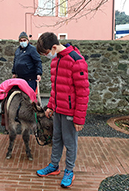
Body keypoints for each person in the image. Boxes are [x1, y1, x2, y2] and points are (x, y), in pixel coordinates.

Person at [35, 32, 89, 188]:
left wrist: (79, 118)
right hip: (58, 110)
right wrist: (51, 105)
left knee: (70, 142)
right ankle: (54, 166)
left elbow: (83, 92)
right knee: (56, 138)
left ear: (53, 47)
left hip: (71, 113)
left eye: (46, 53)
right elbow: (56, 88)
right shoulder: (55, 62)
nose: (47, 56)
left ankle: (69, 170)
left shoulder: (76, 61)